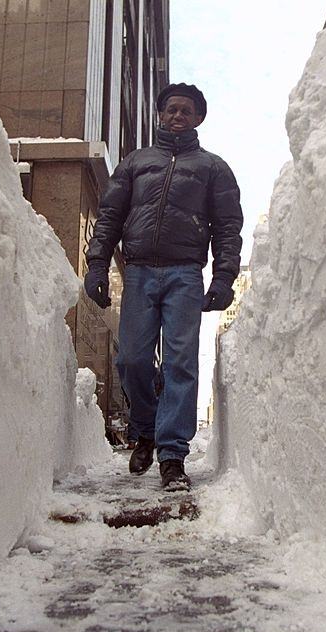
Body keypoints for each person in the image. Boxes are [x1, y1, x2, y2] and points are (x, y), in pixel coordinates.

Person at [83, 83, 244, 492]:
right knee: (133, 360)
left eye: (186, 111)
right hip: (137, 272)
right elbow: (109, 216)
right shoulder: (136, 162)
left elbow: (228, 228)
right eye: (171, 109)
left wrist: (224, 277)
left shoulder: (213, 168)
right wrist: (99, 264)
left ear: (198, 118)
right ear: (160, 114)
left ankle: (172, 455)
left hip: (185, 275)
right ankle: (146, 429)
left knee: (180, 363)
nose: (178, 116)